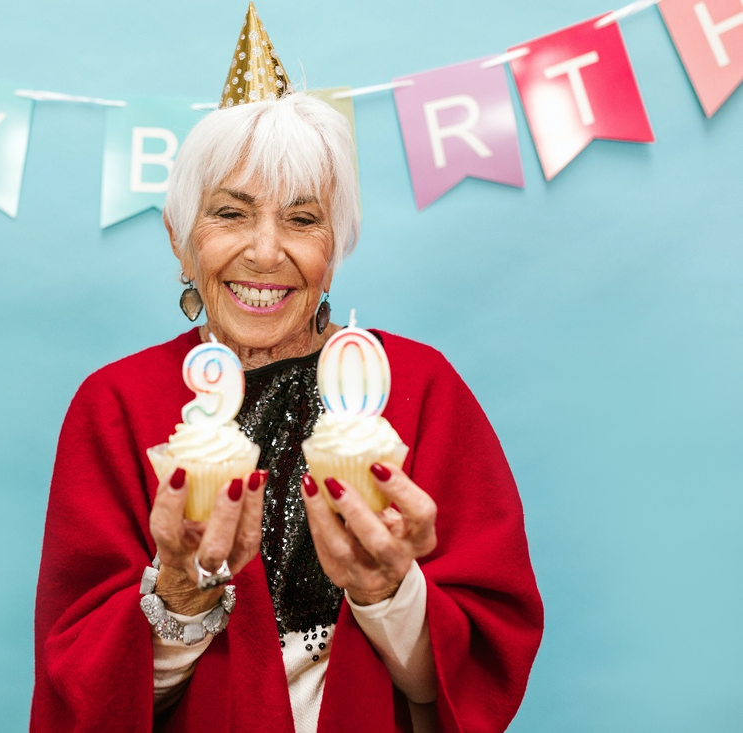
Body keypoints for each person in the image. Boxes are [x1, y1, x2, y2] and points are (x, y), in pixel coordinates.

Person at [30, 93, 543, 733]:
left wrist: (388, 592)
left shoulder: (419, 387)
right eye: (230, 214)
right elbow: (81, 692)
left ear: (338, 246)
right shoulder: (115, 405)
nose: (266, 253)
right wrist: (179, 597)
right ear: (179, 238)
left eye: (302, 219)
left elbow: (479, 671)